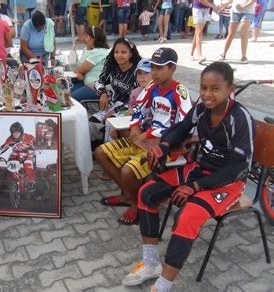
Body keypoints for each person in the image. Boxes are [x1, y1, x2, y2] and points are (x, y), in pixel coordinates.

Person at [122, 61, 255, 291]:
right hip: (200, 169)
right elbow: (182, 128)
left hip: (230, 181)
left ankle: (164, 284)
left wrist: (195, 186)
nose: (207, 94)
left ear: (230, 89)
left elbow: (238, 168)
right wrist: (163, 146)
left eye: (215, 88)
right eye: (203, 88)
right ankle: (151, 263)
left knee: (188, 215)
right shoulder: (202, 108)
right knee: (147, 193)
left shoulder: (239, 118)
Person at [95, 48, 192, 225]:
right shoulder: (151, 87)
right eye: (153, 67)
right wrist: (133, 127)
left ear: (172, 69)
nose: (154, 72)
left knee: (127, 171)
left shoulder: (180, 91)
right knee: (101, 152)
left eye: (159, 68)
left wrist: (144, 134)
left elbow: (183, 127)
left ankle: (137, 203)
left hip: (165, 146)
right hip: (145, 139)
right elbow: (138, 109)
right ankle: (130, 197)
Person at [0, 122, 36, 192]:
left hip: (28, 153)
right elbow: (2, 147)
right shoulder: (10, 139)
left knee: (27, 164)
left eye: (17, 132)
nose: (15, 134)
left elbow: (37, 146)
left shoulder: (30, 137)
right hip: (17, 153)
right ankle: (14, 180)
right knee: (11, 161)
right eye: (13, 132)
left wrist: (34, 151)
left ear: (21, 132)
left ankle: (32, 182)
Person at [71, 26, 110, 102]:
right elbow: (78, 68)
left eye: (86, 36)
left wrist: (79, 71)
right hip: (86, 83)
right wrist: (78, 71)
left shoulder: (99, 52)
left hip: (96, 87)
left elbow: (80, 69)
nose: (83, 38)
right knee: (66, 91)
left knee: (71, 98)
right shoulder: (87, 50)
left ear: (93, 39)